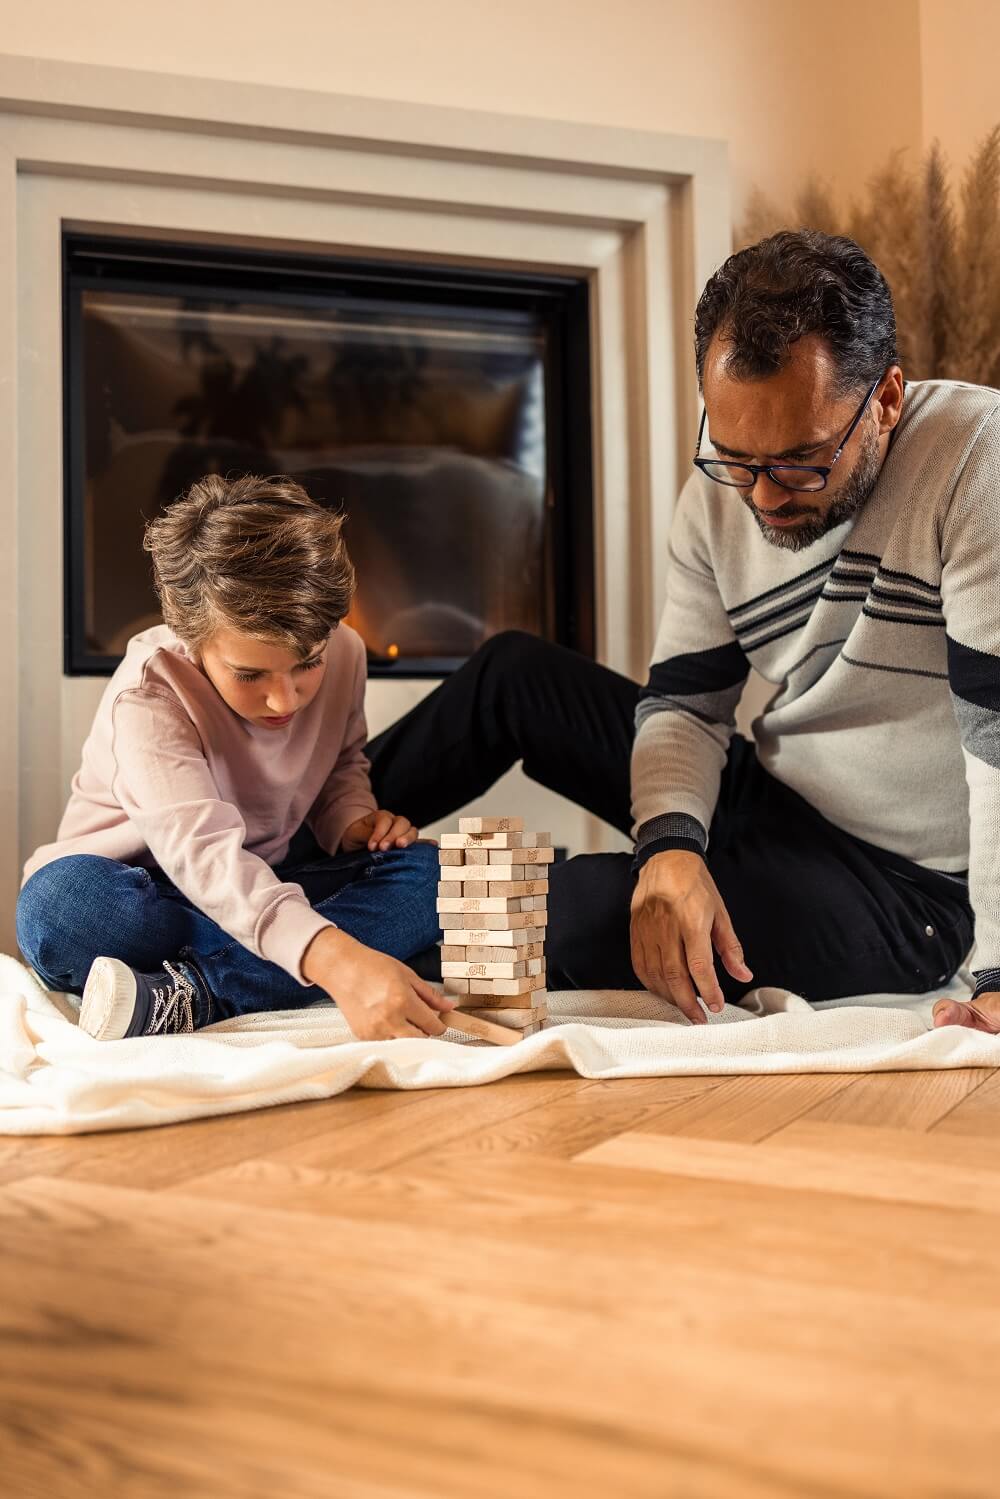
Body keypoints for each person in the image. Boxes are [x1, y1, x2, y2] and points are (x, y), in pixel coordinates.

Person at [365, 230, 1000, 1034]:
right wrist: (671, 845)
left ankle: (258, 944)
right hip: (777, 795)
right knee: (512, 676)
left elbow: (998, 741)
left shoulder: (977, 458)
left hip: (907, 891)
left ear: (885, 399)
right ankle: (273, 846)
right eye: (737, 457)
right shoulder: (721, 492)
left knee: (577, 904)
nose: (762, 498)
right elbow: (689, 708)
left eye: (800, 462)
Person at [16, 475, 451, 1042]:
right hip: (143, 895)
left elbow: (342, 764)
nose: (284, 699)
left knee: (435, 874)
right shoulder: (147, 695)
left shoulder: (344, 650)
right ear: (192, 639)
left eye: (307, 665)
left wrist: (351, 820)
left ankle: (195, 994)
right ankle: (309, 964)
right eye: (250, 675)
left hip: (265, 881)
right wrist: (338, 958)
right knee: (60, 908)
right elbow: (203, 858)